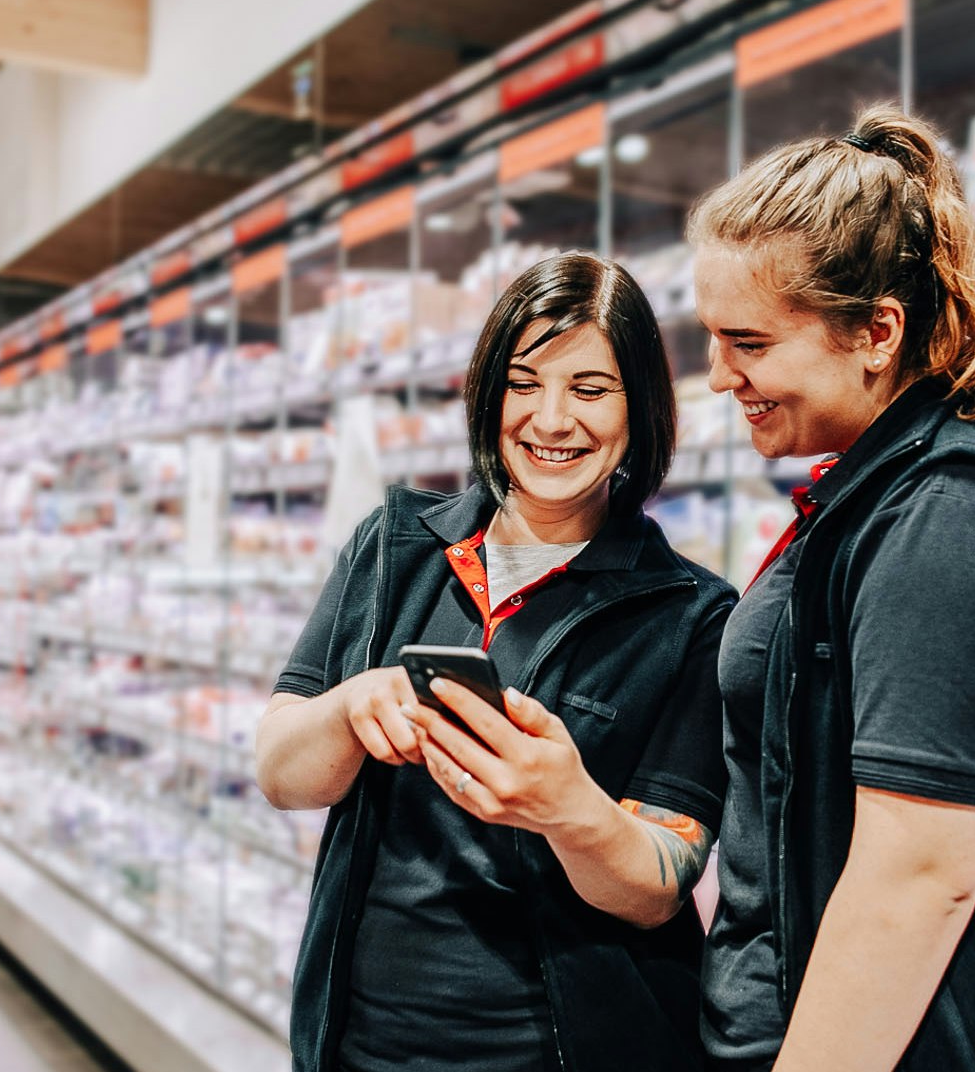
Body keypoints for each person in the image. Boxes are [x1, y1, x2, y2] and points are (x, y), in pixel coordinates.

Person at [691, 105, 975, 1072]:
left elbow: (916, 878)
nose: (720, 375)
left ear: (875, 331)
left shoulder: (956, 515)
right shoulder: (883, 487)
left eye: (748, 343)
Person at [255, 252, 737, 1072]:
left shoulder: (689, 614)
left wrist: (567, 808)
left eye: (589, 389)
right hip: (361, 1045)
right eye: (524, 382)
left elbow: (658, 883)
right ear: (488, 393)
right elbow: (280, 772)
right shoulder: (392, 549)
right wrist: (348, 709)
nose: (551, 419)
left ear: (638, 410)